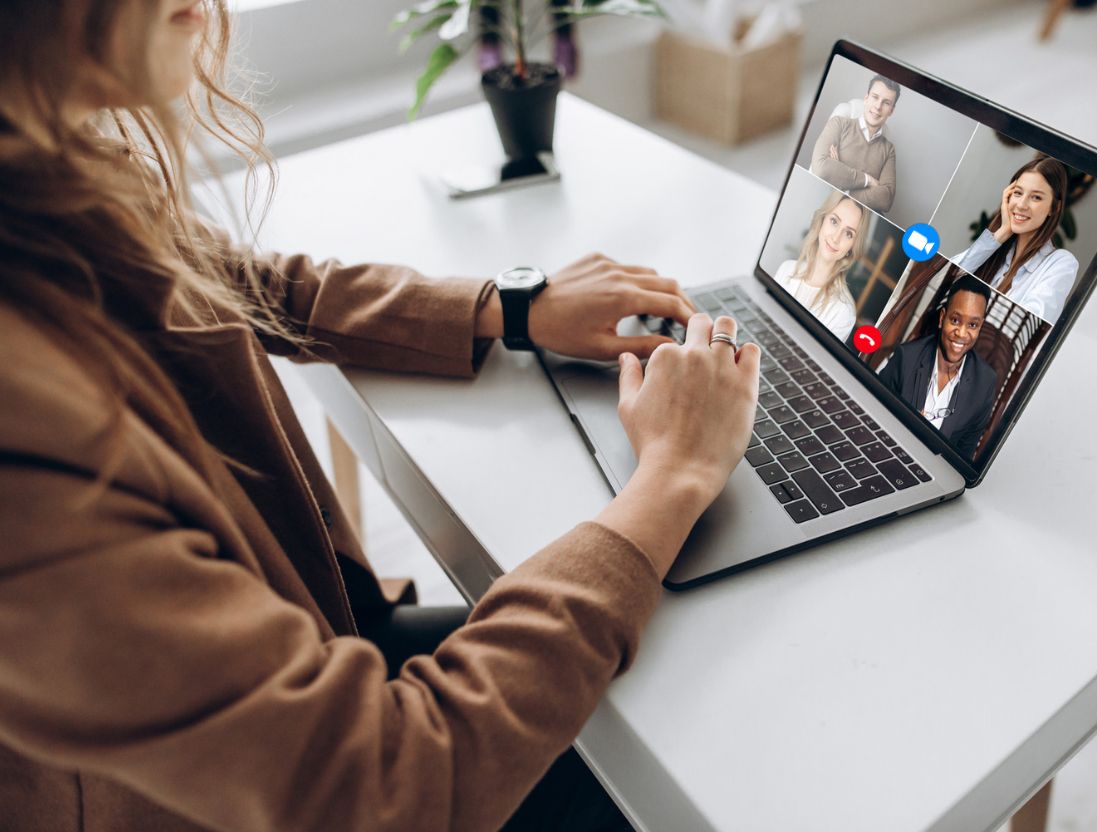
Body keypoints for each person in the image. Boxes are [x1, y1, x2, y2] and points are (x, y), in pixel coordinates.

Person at [0, 2, 761, 830]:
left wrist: (510, 308)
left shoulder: (47, 177)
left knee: (697, 671)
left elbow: (247, 282)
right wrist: (672, 476)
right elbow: (386, 785)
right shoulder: (25, 442)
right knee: (711, 755)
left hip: (319, 657)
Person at [878, 276, 997, 459]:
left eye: (972, 325)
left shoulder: (985, 383)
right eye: (955, 320)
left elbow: (963, 455)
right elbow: (873, 410)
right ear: (942, 318)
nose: (962, 334)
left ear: (980, 327)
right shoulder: (906, 358)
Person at [953, 156, 1079, 325]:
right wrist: (1001, 234)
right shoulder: (996, 249)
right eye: (1018, 193)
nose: (1021, 205)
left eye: (1036, 197)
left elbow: (1027, 325)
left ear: (1054, 208)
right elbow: (943, 279)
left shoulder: (1061, 262)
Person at [773, 191, 871, 342]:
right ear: (822, 221)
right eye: (834, 221)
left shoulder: (843, 312)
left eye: (848, 234)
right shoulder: (786, 269)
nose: (836, 238)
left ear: (852, 247)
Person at [809, 75, 899, 213]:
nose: (878, 106)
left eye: (886, 103)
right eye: (875, 97)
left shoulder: (888, 149)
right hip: (818, 205)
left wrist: (841, 184)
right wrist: (867, 180)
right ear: (866, 98)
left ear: (891, 111)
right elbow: (821, 168)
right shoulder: (839, 123)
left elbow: (885, 200)